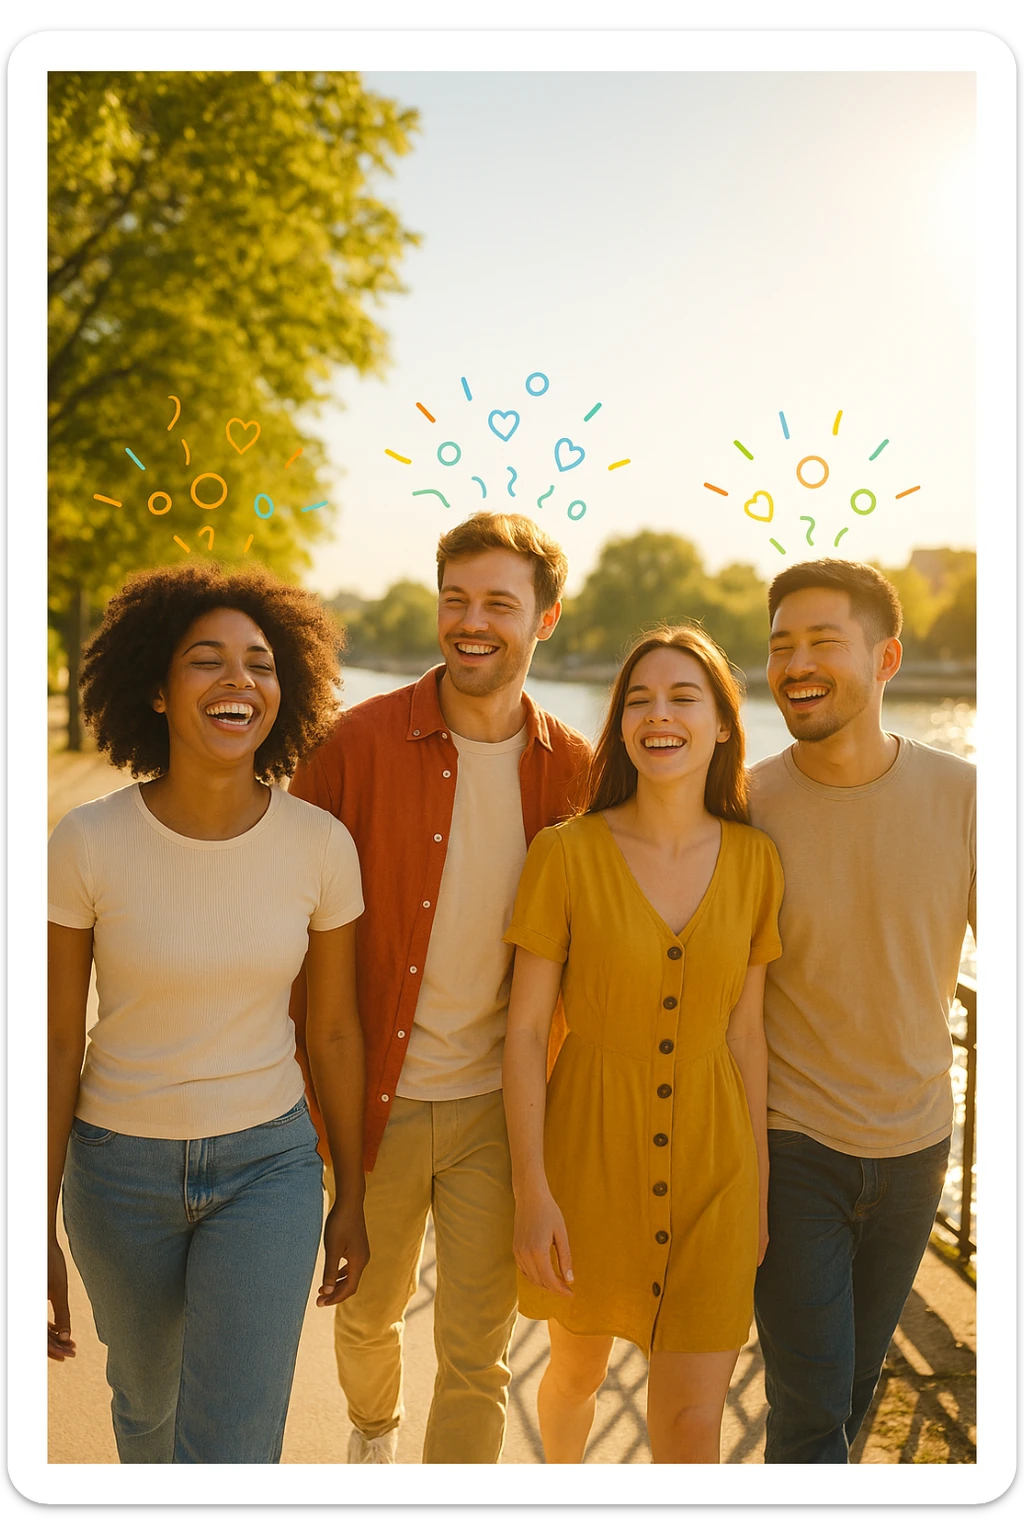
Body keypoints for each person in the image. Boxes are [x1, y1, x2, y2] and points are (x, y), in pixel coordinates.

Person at [47, 564, 369, 1465]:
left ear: (287, 689)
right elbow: (53, 1041)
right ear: (155, 686)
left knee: (233, 1442)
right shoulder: (85, 843)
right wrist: (29, 1220)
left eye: (261, 664)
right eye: (207, 660)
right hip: (116, 1173)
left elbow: (334, 1031)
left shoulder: (320, 846)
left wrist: (352, 1192)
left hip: (267, 1168)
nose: (240, 681)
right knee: (146, 1410)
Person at [288, 511, 591, 1464]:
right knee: (367, 1318)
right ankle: (372, 1436)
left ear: (544, 619)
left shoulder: (578, 771)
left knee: (477, 1351)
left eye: (499, 602)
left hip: (501, 1114)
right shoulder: (352, 746)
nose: (472, 620)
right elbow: (280, 911)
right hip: (367, 1099)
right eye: (456, 598)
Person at [502, 624, 785, 1464]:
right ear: (620, 723)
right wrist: (532, 1191)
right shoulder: (565, 854)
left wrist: (759, 1191)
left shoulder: (757, 862)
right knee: (577, 1375)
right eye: (639, 699)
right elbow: (522, 1033)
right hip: (587, 1161)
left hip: (717, 1171)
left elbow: (748, 1035)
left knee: (694, 1422)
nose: (658, 716)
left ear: (725, 724)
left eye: (683, 697)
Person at [747, 558, 976, 1465]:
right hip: (793, 1148)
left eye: (821, 642)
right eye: (780, 646)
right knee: (809, 1410)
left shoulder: (966, 798)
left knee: (854, 1387)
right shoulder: (747, 802)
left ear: (884, 660)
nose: (796, 663)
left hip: (919, 1145)